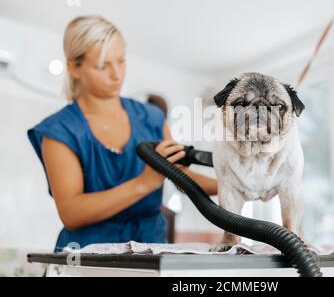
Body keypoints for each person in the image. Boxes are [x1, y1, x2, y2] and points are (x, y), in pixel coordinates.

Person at [27, 15, 217, 252]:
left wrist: (235, 185)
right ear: (74, 68)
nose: (117, 74)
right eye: (103, 66)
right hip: (87, 258)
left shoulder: (151, 117)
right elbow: (71, 213)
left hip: (149, 251)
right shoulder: (60, 131)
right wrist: (142, 184)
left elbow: (181, 175)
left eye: (121, 61)